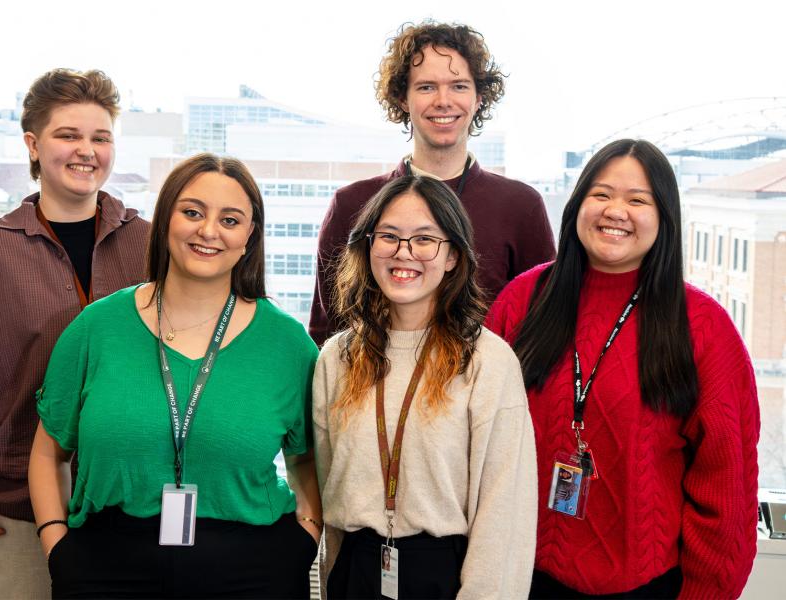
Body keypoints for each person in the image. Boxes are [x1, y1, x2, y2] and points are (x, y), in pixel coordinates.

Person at [29, 153, 322, 599]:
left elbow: (307, 462)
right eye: (192, 212)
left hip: (253, 573)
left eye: (230, 219)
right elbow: (48, 454)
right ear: (165, 221)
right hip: (106, 569)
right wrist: (57, 546)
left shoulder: (286, 343)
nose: (208, 231)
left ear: (249, 237)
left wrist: (305, 541)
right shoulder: (96, 328)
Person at [0, 68, 149, 599]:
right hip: (15, 511)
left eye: (100, 137)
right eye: (69, 135)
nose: (86, 151)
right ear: (34, 145)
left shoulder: (152, 248)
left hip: (135, 506)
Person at [487, 139, 760, 598]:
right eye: (601, 194)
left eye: (638, 200)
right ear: (577, 205)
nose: (616, 210)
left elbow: (726, 490)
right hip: (518, 576)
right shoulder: (523, 300)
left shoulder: (703, 326)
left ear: (664, 218)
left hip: (649, 586)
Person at [314, 175, 537, 599]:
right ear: (368, 246)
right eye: (389, 236)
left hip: (444, 573)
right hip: (356, 569)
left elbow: (503, 512)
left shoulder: (487, 361)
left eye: (424, 239)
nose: (404, 253)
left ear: (452, 255)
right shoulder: (337, 358)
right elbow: (330, 488)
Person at [309, 20, 555, 347]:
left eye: (459, 86)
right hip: (373, 391)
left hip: (488, 393)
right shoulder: (353, 204)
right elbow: (328, 331)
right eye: (426, 87)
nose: (443, 100)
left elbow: (545, 327)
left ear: (479, 97)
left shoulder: (521, 206)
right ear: (402, 98)